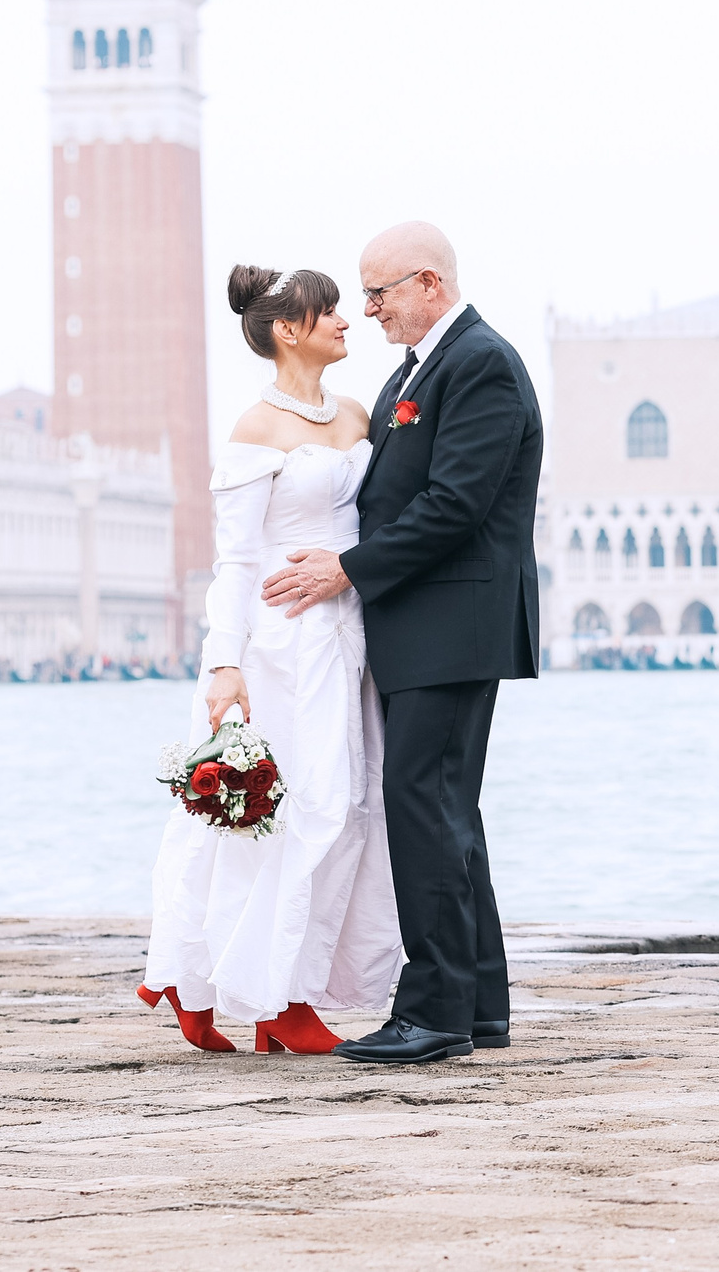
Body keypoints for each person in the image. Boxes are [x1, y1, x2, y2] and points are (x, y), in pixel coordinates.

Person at [263, 222, 544, 1064]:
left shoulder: (480, 363)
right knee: (445, 811)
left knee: (422, 805)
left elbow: (455, 504)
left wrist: (345, 569)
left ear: (429, 283)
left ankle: (433, 1011)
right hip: (425, 627)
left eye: (380, 291)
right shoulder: (415, 373)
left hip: (454, 626)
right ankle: (477, 1003)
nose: (369, 307)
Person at [138, 265, 403, 1055]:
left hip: (346, 634)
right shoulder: (256, 429)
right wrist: (225, 663)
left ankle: (247, 984)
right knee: (280, 814)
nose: (347, 320)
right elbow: (238, 560)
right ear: (289, 329)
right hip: (278, 644)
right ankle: (262, 995)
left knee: (349, 806)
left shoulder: (355, 412)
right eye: (331, 312)